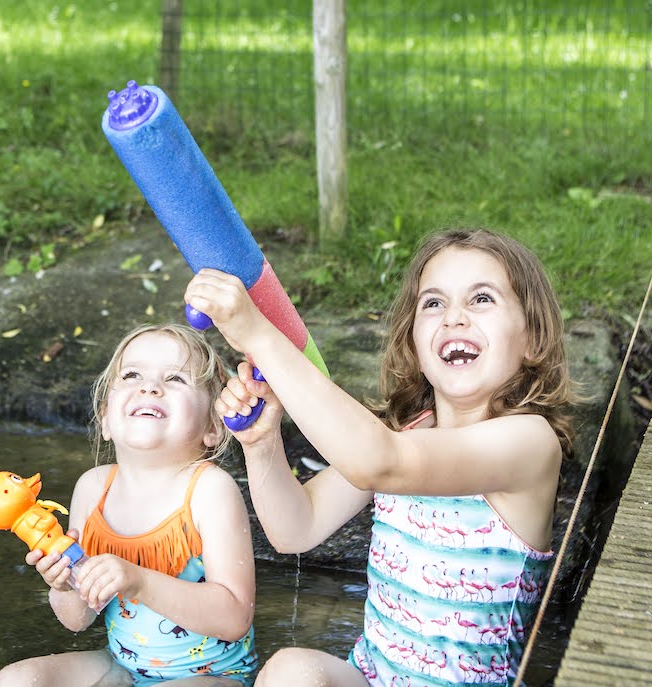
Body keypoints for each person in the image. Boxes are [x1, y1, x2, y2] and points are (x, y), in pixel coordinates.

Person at [183, 228, 575, 686]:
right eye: (433, 303)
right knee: (293, 670)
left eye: (482, 299)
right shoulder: (406, 434)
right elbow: (297, 528)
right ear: (413, 342)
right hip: (375, 677)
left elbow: (378, 461)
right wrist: (263, 443)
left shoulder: (528, 443)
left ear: (533, 339)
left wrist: (258, 333)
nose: (454, 318)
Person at [0, 323, 258, 687]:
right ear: (105, 419)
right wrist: (63, 585)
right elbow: (77, 620)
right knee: (17, 680)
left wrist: (138, 580)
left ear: (212, 426)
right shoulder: (93, 488)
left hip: (213, 677)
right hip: (124, 664)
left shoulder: (210, 490)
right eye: (132, 375)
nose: (149, 387)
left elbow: (234, 617)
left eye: (176, 379)